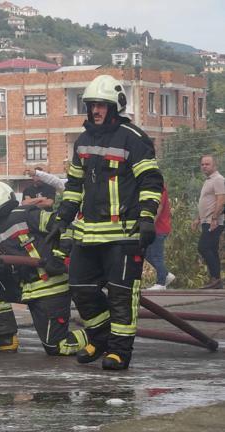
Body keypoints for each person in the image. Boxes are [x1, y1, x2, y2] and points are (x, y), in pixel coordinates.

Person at [48, 75, 164, 370]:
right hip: (88, 235)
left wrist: (147, 218)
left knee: (121, 296)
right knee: (80, 286)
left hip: (124, 235)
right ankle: (99, 337)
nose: (96, 111)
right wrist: (62, 219)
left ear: (115, 107)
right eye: (91, 105)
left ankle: (119, 352)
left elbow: (150, 181)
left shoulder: (134, 139)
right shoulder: (83, 141)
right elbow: (74, 185)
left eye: (101, 105)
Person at [0, 181, 87, 355]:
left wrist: (59, 256)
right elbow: (15, 267)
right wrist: (1, 270)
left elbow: (66, 226)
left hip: (50, 287)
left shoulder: (25, 215)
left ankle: (98, 334)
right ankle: (5, 339)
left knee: (56, 348)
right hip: (27, 288)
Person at [192, 155, 225, 289]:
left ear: (214, 165)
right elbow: (207, 203)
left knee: (204, 247)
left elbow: (221, 200)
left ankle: (216, 278)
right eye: (203, 164)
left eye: (207, 164)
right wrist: (198, 219)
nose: (204, 166)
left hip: (214, 221)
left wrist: (215, 218)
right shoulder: (208, 181)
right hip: (206, 220)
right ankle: (216, 280)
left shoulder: (218, 180)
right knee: (212, 249)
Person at [145, 186, 175, 290]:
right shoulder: (151, 186)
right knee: (146, 253)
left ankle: (161, 283)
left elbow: (159, 207)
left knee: (156, 256)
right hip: (155, 228)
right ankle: (166, 274)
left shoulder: (159, 186)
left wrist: (149, 225)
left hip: (159, 228)